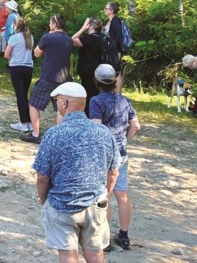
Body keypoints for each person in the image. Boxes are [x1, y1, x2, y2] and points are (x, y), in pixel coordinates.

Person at [32, 81, 120, 263]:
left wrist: (42, 199)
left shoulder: (54, 134)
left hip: (61, 205)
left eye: (56, 101)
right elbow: (113, 172)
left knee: (68, 255)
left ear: (64, 103)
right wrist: (105, 195)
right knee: (96, 253)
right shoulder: (104, 133)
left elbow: (42, 177)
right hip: (95, 203)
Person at [90, 64, 141, 253]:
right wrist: (123, 139)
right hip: (122, 152)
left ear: (96, 81)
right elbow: (135, 125)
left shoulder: (96, 101)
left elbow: (97, 126)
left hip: (104, 154)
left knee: (105, 195)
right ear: (114, 80)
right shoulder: (125, 101)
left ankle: (105, 239)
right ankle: (124, 236)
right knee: (122, 194)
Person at [22, 14, 74, 144]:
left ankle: (35, 134)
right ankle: (60, 137)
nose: (49, 25)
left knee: (34, 103)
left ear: (55, 25)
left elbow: (37, 53)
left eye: (51, 23)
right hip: (65, 79)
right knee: (61, 108)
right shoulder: (69, 39)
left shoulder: (47, 37)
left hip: (49, 76)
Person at [6, 16, 35, 133]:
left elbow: (6, 54)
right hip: (28, 68)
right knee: (24, 95)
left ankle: (23, 123)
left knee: (20, 96)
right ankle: (29, 122)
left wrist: (12, 57)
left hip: (17, 68)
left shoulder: (14, 38)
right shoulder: (30, 37)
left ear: (16, 26)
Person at [72, 17, 105, 113]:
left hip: (88, 72)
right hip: (101, 71)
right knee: (97, 94)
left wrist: (82, 29)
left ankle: (90, 117)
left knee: (89, 95)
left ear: (90, 26)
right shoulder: (103, 37)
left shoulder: (89, 39)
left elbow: (71, 41)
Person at [103, 2, 127, 94]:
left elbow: (118, 37)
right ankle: (113, 92)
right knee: (112, 71)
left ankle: (118, 95)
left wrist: (113, 47)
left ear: (111, 10)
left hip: (115, 50)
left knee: (117, 72)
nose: (105, 10)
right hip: (109, 51)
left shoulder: (116, 20)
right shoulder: (108, 21)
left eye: (106, 8)